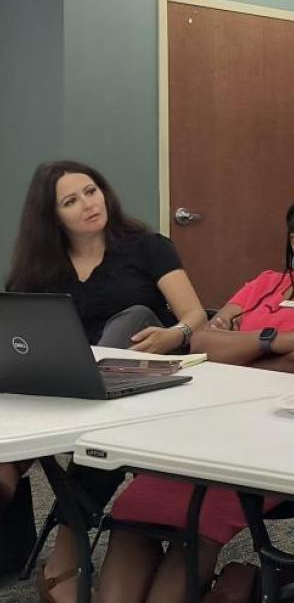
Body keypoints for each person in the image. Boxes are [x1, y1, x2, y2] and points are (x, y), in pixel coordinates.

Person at [96, 188, 294, 603]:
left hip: (289, 444)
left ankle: (232, 584)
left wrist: (240, 350)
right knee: (132, 517)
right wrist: (275, 340)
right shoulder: (266, 284)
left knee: (195, 521)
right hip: (212, 430)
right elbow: (202, 343)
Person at [2, 160, 206, 603]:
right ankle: (14, 468)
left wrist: (176, 333)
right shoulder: (39, 269)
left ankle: (62, 558)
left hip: (140, 378)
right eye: (71, 201)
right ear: (53, 216)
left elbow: (195, 315)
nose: (88, 205)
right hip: (70, 383)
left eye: (91, 191)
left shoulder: (149, 246)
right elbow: (20, 334)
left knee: (128, 325)